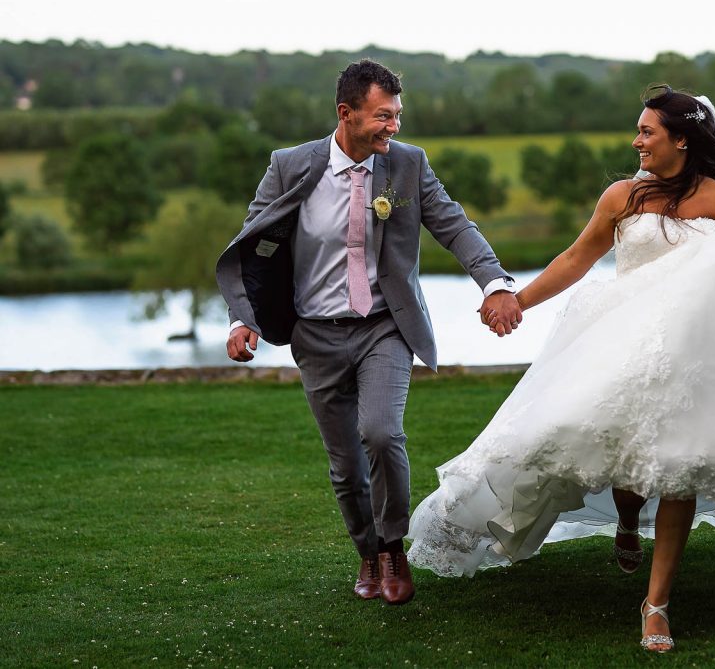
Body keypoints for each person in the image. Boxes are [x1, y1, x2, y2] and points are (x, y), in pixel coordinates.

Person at [406, 85, 715, 650]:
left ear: (682, 140)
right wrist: (518, 299)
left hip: (696, 359)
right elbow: (576, 258)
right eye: (639, 130)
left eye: (647, 131)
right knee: (624, 470)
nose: (636, 140)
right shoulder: (622, 196)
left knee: (678, 469)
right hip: (627, 345)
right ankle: (625, 517)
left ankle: (656, 603)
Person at [215, 60, 522, 606]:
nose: (394, 127)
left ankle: (394, 548)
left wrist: (494, 282)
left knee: (381, 433)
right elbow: (251, 247)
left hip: (385, 326)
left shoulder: (407, 165)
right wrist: (244, 318)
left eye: (398, 115)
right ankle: (366, 551)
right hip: (315, 332)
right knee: (345, 464)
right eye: (383, 116)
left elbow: (454, 224)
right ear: (346, 113)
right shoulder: (290, 167)